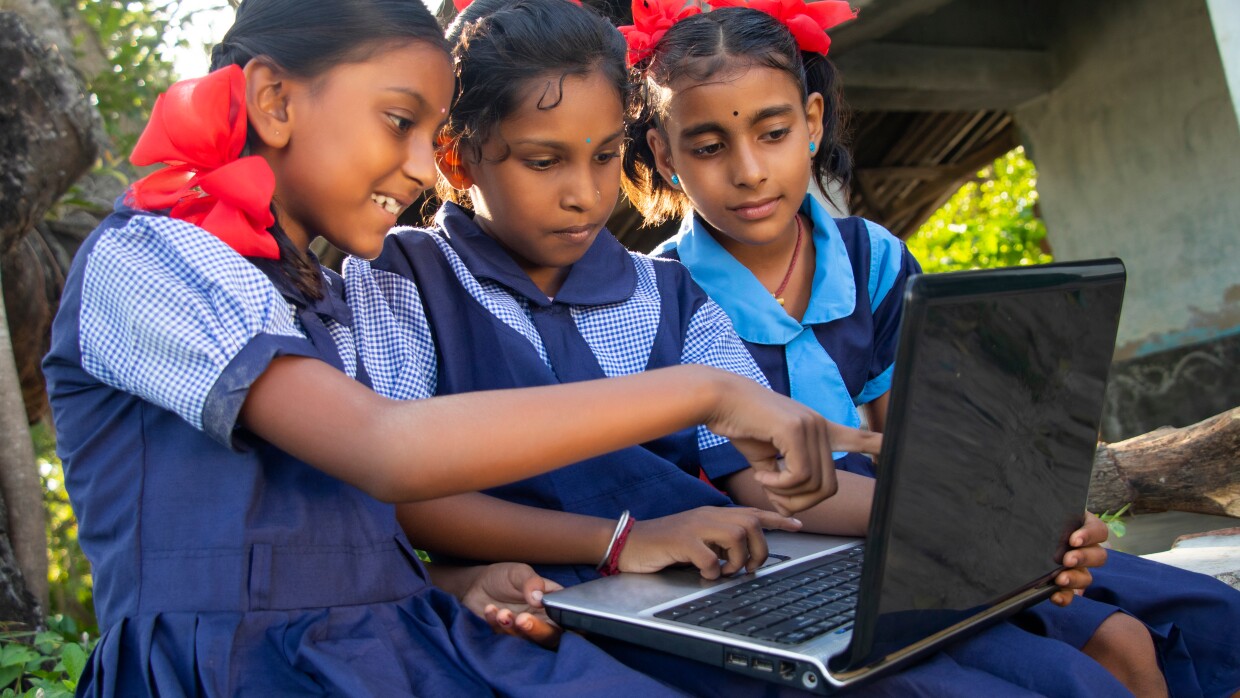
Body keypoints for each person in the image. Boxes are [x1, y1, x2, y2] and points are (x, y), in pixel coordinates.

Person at [40, 0, 873, 694]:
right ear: (275, 102)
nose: (416, 168)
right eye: (400, 122)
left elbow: (353, 529)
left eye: (423, 132)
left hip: (396, 634)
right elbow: (384, 453)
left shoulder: (315, 288)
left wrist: (458, 581)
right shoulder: (149, 259)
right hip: (232, 669)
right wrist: (704, 391)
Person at [348, 2, 1146, 696]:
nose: (584, 193)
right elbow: (409, 494)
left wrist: (975, 523)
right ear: (458, 159)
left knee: (1052, 675)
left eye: (600, 156)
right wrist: (617, 542)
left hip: (713, 585)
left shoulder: (664, 297)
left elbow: (772, 482)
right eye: (544, 160)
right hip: (554, 600)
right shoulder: (405, 280)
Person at [624, 3, 1240, 698]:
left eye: (773, 133)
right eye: (708, 147)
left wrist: (1023, 520)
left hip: (926, 530)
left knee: (1216, 619)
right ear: (662, 153)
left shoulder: (872, 258)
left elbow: (913, 434)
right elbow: (769, 490)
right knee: (1113, 652)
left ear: (814, 120)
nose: (749, 171)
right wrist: (990, 525)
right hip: (793, 561)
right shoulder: (662, 300)